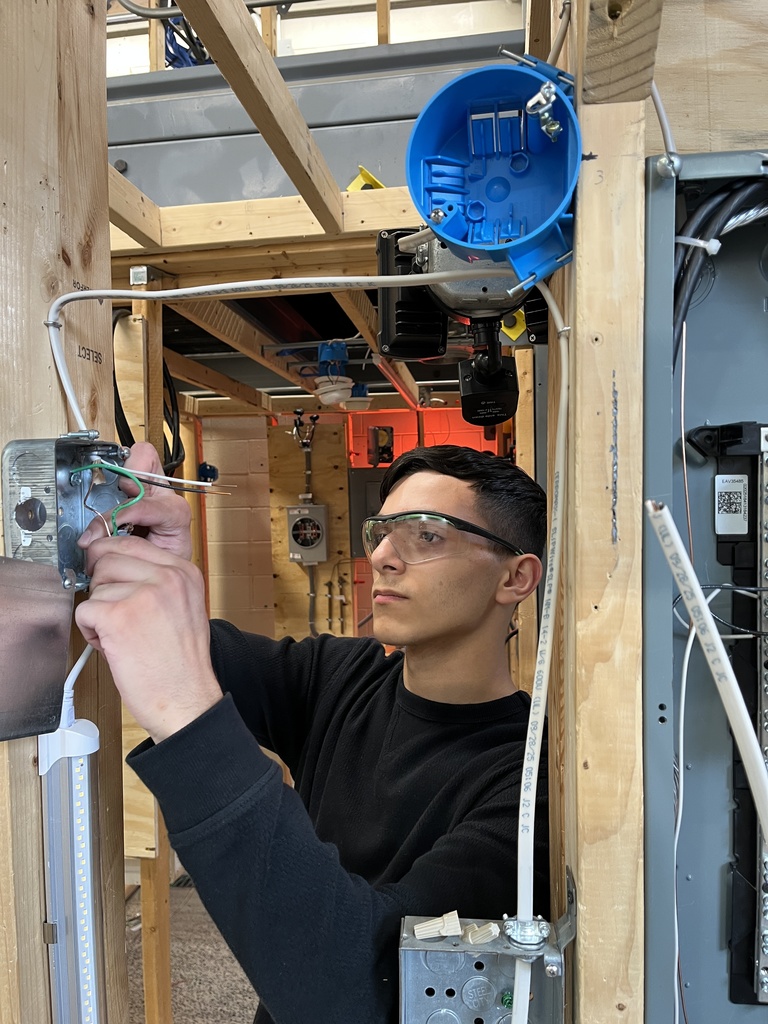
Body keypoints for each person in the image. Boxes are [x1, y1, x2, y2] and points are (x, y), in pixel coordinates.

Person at [77, 442, 550, 1024]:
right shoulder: (341, 676)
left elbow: (361, 984)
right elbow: (194, 646)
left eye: (427, 536)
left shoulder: (527, 785)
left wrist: (186, 713)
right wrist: (153, 564)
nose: (382, 556)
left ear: (516, 577)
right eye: (383, 531)